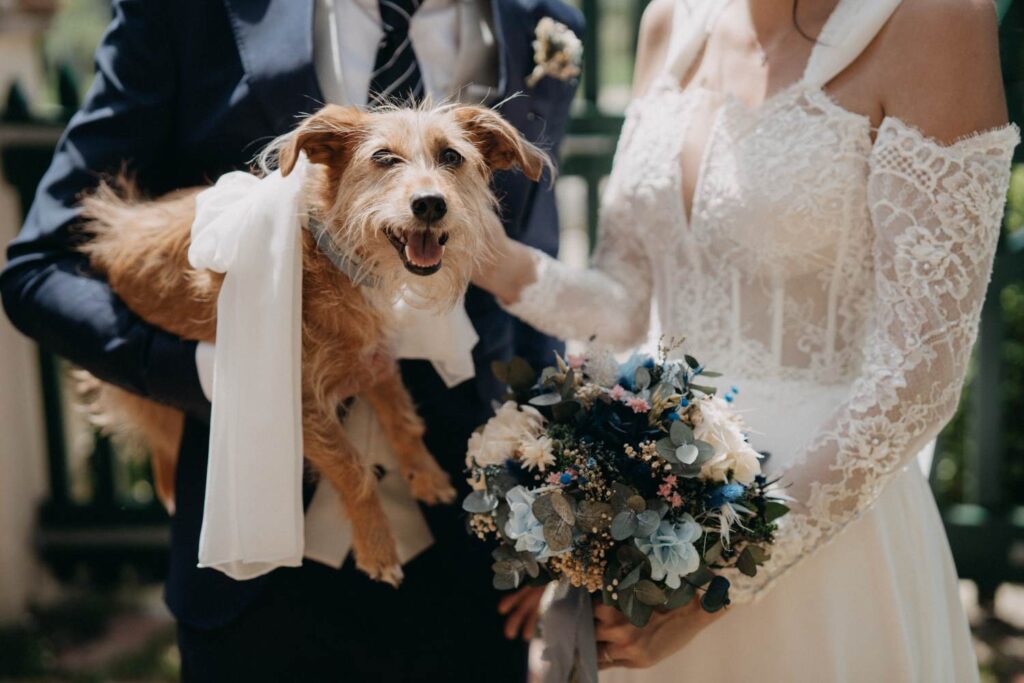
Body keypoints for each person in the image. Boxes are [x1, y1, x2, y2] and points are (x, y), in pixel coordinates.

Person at [0, 0, 581, 680]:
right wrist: (226, 370)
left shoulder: (540, 20)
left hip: (471, 553)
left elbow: (533, 296)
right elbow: (38, 270)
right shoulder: (183, 13)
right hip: (254, 574)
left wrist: (548, 518)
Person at [473, 0, 1017, 680]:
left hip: (823, 537)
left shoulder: (934, 21)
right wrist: (488, 255)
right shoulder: (670, 22)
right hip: (654, 514)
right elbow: (623, 304)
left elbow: (922, 373)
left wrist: (716, 587)